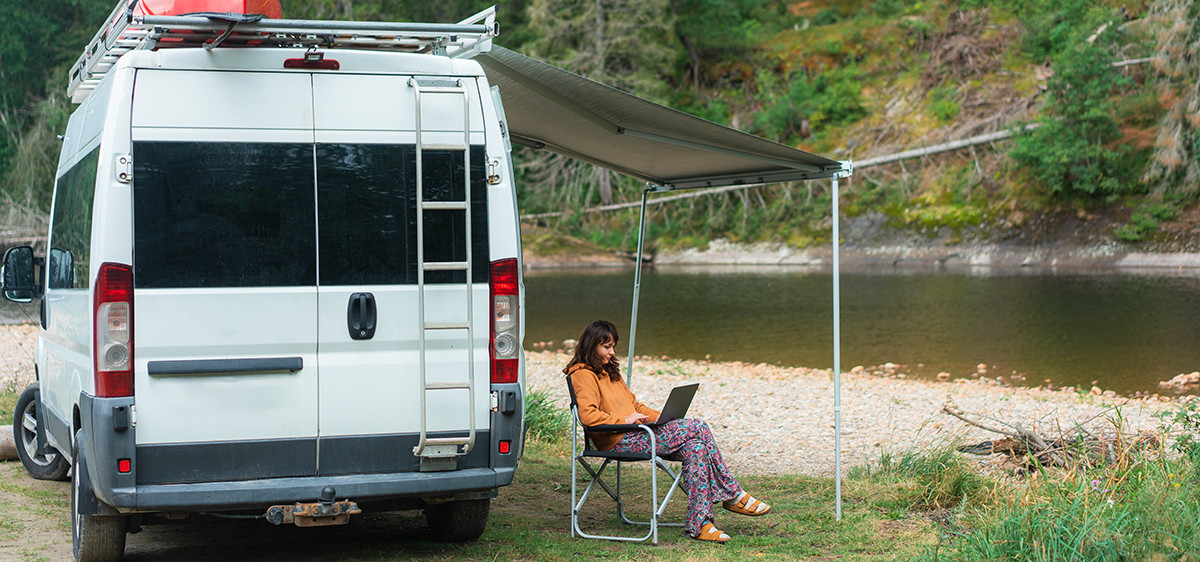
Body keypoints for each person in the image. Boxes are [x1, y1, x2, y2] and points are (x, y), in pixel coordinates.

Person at [564, 320, 770, 543]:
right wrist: (623, 420)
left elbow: (636, 406)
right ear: (592, 345)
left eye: (613, 346)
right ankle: (733, 495)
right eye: (607, 347)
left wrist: (662, 418)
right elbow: (588, 416)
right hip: (617, 439)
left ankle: (700, 524)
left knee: (696, 448)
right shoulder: (582, 374)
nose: (612, 352)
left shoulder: (610, 372)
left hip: (637, 433)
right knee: (698, 426)